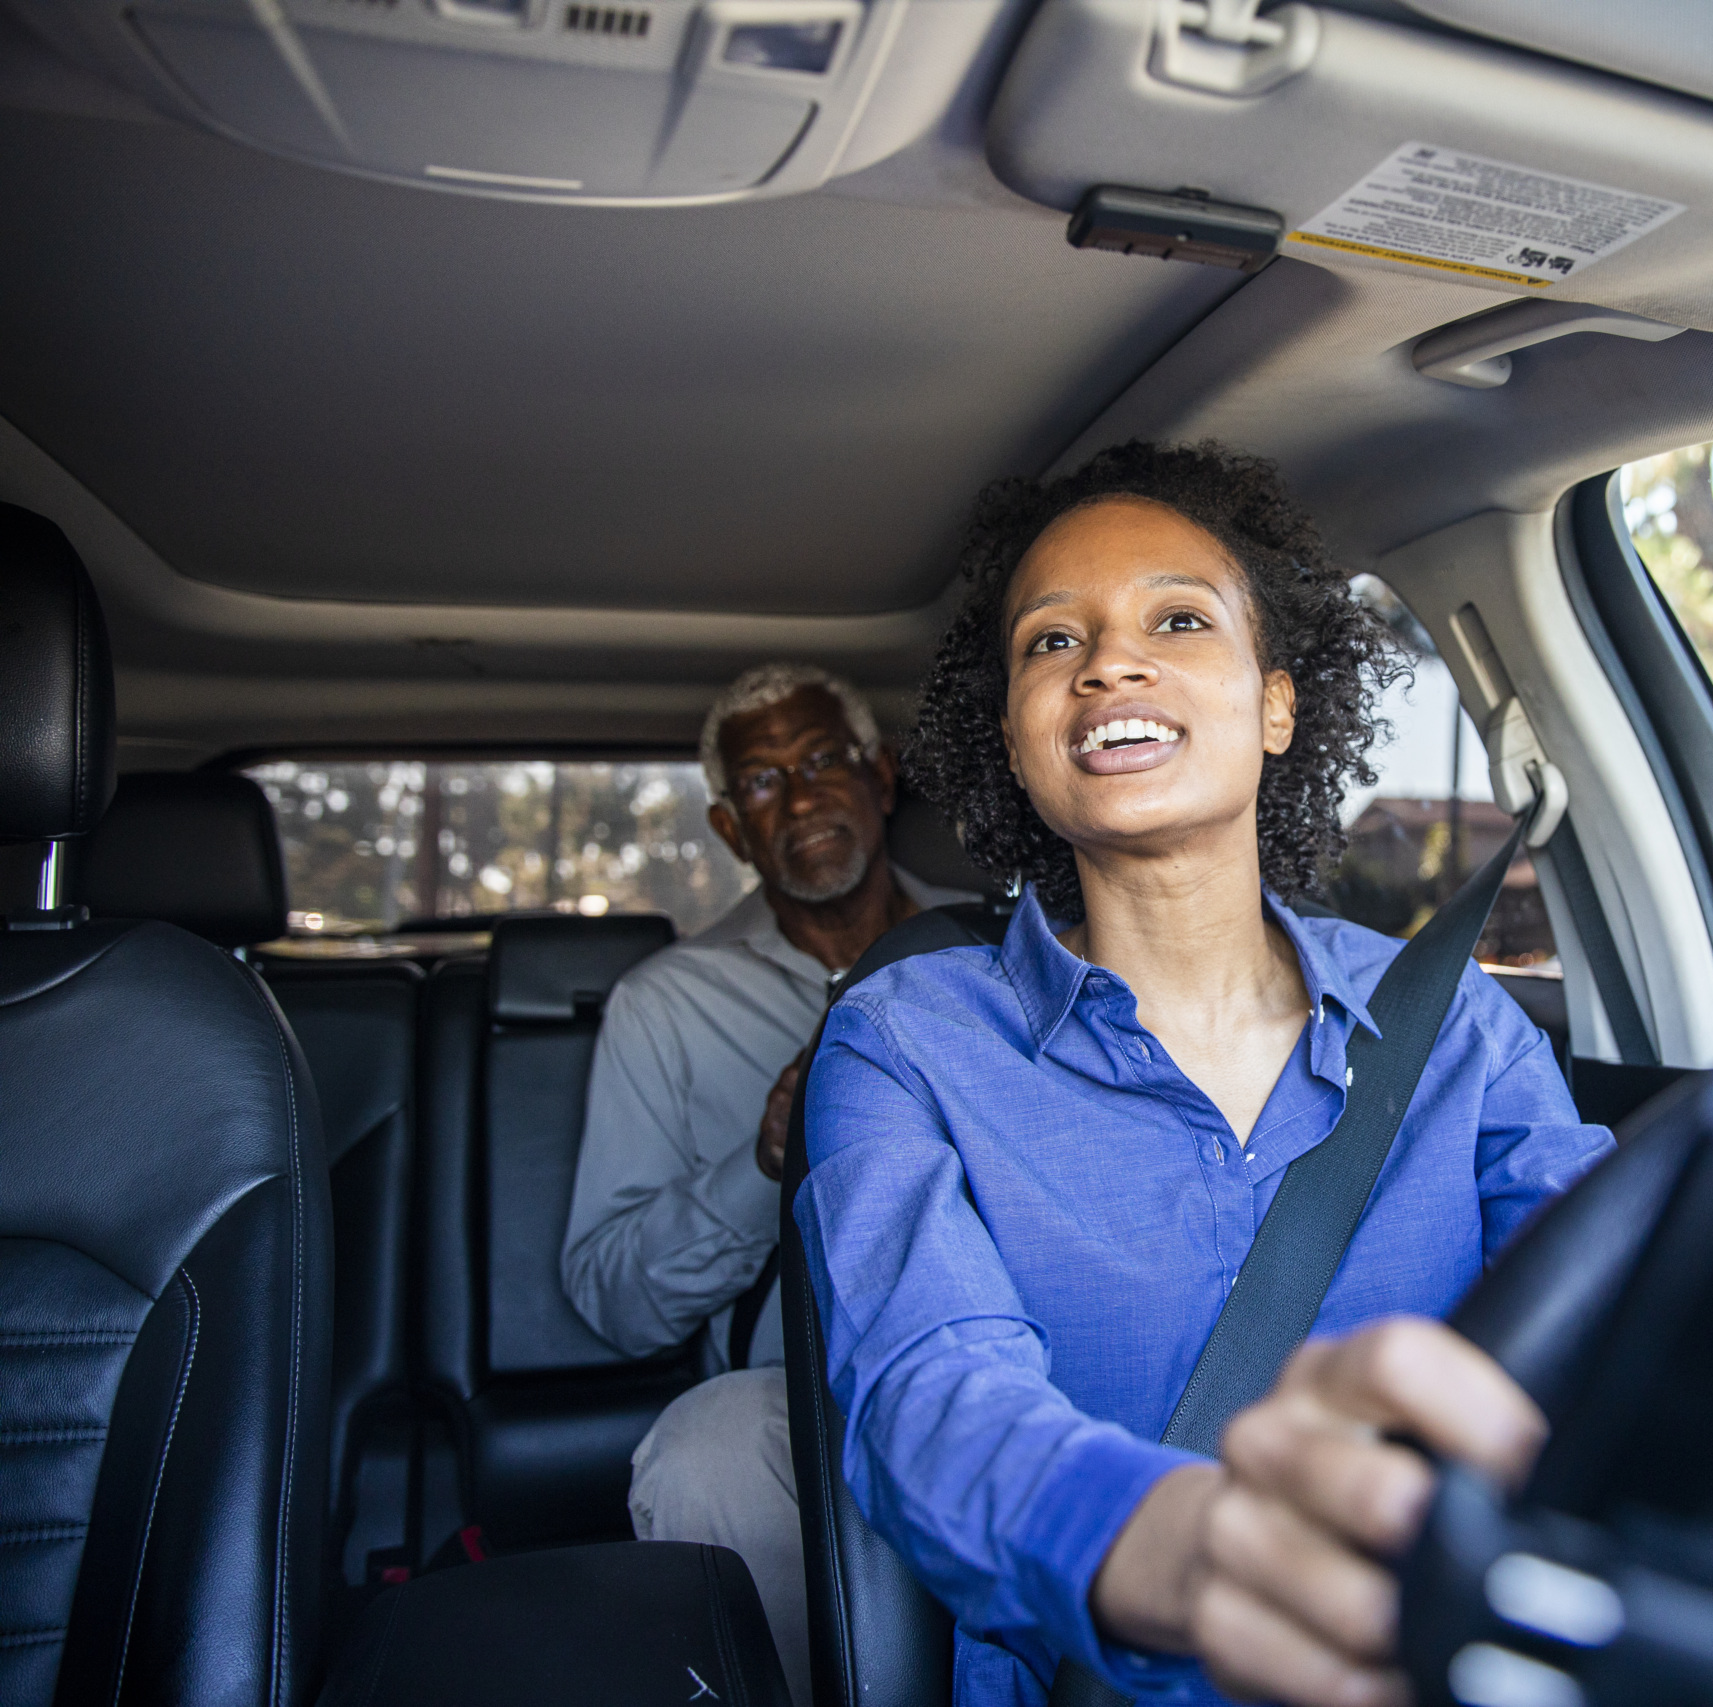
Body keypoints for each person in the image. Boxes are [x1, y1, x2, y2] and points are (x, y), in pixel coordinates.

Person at [795, 441, 1618, 1707]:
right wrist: (1177, 1545)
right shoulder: (903, 1040)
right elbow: (928, 1391)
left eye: (1177, 620)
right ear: (1013, 739)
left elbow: (1620, 1293)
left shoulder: (1455, 1026)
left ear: (1277, 704)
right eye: (1050, 644)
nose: (1109, 662)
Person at [562, 661, 974, 1707]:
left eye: (824, 759)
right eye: (760, 782)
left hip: (1015, 1342)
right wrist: (764, 1166)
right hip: (799, 1390)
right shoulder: (665, 1005)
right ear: (729, 827)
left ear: (881, 779)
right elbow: (611, 1298)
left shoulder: (996, 949)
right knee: (704, 1449)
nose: (799, 798)